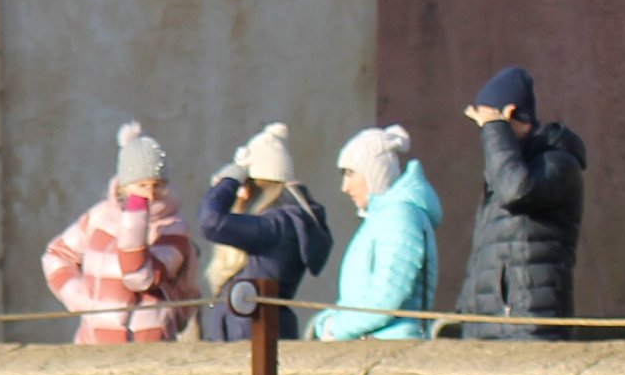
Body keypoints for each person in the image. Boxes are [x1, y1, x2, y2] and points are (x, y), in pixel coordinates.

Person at [452, 67, 586, 341]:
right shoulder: (508, 168)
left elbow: (517, 192)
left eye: (487, 122)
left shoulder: (558, 163)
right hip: (491, 327)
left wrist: (495, 127)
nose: (485, 135)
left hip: (528, 326)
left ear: (510, 114)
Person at [43, 122, 195, 343]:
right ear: (125, 185)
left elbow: (139, 277)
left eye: (157, 185)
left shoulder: (172, 228)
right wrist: (81, 299)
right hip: (94, 345)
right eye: (142, 185)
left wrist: (136, 218)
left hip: (150, 344)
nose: (150, 194)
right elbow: (56, 255)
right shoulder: (98, 217)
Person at [195, 122, 332, 340]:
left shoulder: (277, 225)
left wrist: (229, 180)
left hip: (254, 341)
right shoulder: (280, 223)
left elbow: (211, 221)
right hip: (252, 336)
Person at [314, 124, 442, 340]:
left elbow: (388, 297)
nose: (345, 187)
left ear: (374, 173)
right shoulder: (381, 218)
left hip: (391, 348)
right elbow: (359, 296)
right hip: (371, 343)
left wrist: (336, 327)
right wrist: (330, 320)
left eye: (350, 173)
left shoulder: (399, 217)